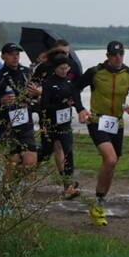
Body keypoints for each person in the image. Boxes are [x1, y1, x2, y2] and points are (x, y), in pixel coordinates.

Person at [77, 41, 129, 225]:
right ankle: (98, 204)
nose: (117, 58)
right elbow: (74, 88)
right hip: (97, 120)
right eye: (113, 55)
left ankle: (99, 204)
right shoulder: (95, 72)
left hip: (116, 123)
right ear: (107, 56)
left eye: (120, 54)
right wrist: (80, 109)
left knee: (111, 164)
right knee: (110, 158)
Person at [0, 42, 41, 176]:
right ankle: (6, 186)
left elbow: (34, 97)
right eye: (11, 55)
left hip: (25, 123)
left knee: (30, 162)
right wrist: (0, 100)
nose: (15, 57)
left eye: (17, 54)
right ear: (3, 56)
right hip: (6, 125)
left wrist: (36, 94)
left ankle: (10, 182)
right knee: (13, 161)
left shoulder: (27, 72)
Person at [36, 51, 86, 199]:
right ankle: (28, 163)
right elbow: (45, 106)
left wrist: (80, 110)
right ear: (55, 68)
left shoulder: (70, 82)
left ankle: (68, 184)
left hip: (64, 123)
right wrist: (61, 104)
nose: (64, 71)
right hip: (50, 123)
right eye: (61, 68)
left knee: (68, 150)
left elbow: (76, 99)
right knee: (47, 152)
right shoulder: (48, 83)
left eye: (66, 68)